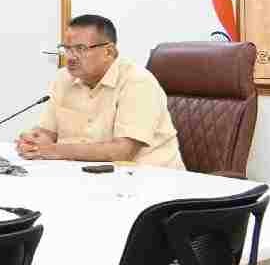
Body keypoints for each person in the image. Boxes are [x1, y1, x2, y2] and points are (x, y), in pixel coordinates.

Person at [16, 15, 185, 169]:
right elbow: (48, 132)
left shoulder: (137, 81)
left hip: (151, 179)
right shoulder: (64, 78)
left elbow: (122, 152)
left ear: (108, 52)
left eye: (80, 48)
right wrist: (34, 142)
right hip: (87, 175)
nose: (71, 57)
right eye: (66, 48)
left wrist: (52, 150)